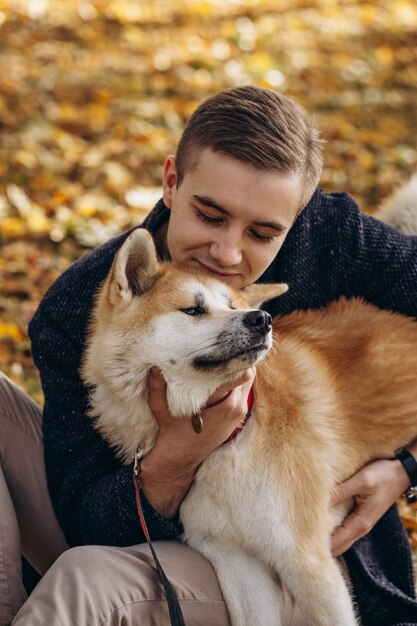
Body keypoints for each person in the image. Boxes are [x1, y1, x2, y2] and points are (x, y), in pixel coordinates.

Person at [1, 85, 417, 626]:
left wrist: (406, 469)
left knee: (87, 578)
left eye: (264, 233)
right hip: (125, 525)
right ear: (172, 182)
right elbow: (87, 523)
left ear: (299, 216)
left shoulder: (330, 235)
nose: (227, 254)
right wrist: (176, 453)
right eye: (210, 215)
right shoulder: (78, 306)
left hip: (289, 548)